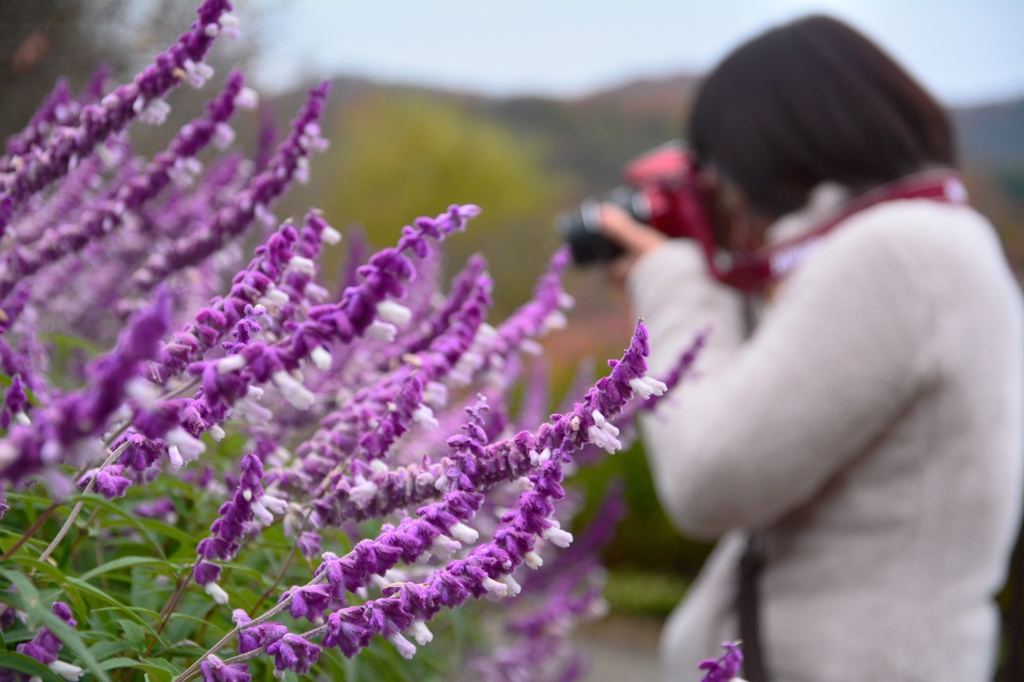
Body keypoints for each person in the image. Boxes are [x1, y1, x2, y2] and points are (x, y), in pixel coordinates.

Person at [599, 15, 1024, 682]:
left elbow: (709, 479)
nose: (729, 194)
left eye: (722, 167)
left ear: (770, 141)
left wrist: (672, 281)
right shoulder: (933, 243)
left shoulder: (900, 251)